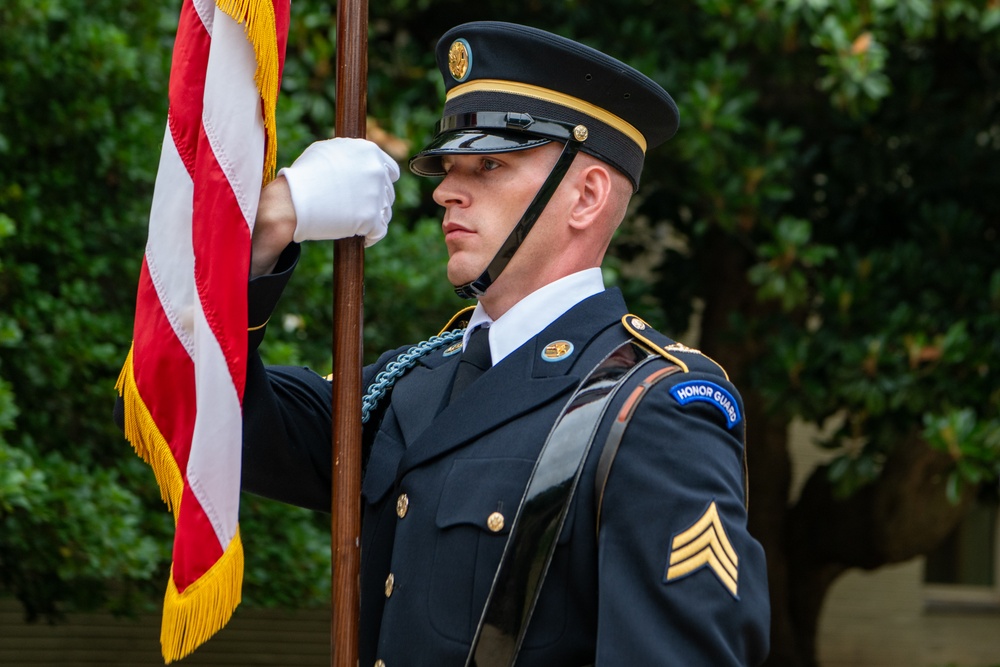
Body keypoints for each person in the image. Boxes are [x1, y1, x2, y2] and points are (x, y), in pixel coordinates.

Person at [241, 21, 770, 666]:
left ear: (586, 195)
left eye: (490, 164)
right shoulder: (413, 385)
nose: (443, 191)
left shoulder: (651, 410)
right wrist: (267, 228)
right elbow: (213, 411)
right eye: (448, 167)